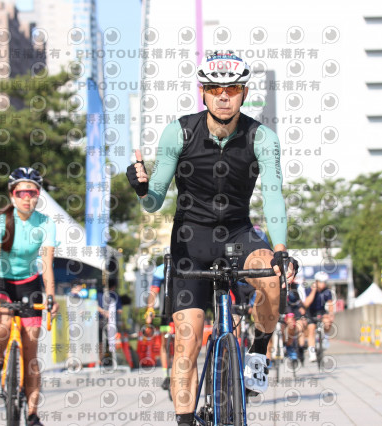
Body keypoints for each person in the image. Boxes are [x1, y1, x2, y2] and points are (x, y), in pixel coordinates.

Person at [126, 50, 297, 426]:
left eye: (232, 89)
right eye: (215, 89)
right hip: (191, 242)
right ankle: (185, 420)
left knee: (272, 277)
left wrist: (281, 250)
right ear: (202, 92)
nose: (223, 96)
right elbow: (154, 201)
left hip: (238, 234)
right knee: (186, 344)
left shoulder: (261, 137)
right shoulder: (180, 132)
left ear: (244, 93)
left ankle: (258, 351)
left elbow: (273, 194)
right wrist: (141, 189)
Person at [0, 167, 57, 426]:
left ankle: (32, 414)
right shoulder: (0, 222)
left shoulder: (46, 223)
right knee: (3, 325)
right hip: (1, 281)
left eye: (32, 192)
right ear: (12, 195)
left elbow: (46, 264)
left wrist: (51, 297)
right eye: (21, 193)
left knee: (31, 353)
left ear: (38, 195)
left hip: (29, 284)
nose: (27, 198)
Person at [144, 263, 176, 391]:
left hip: (180, 311)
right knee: (164, 344)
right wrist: (150, 309)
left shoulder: (182, 265)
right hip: (165, 313)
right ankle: (166, 376)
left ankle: (178, 371)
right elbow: (153, 292)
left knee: (179, 344)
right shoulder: (159, 270)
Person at [303, 271, 334, 362]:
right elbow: (306, 304)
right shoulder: (309, 289)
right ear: (316, 281)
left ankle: (325, 338)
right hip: (310, 312)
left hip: (321, 311)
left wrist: (331, 314)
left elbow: (330, 304)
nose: (323, 284)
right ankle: (312, 352)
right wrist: (313, 291)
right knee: (311, 328)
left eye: (324, 282)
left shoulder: (327, 292)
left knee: (327, 322)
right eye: (321, 282)